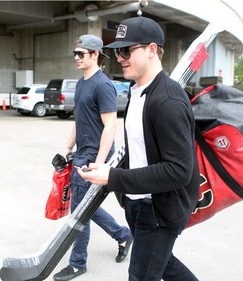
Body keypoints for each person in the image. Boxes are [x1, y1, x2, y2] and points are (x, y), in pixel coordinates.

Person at [78, 17, 200, 281]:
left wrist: (114, 178)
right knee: (164, 263)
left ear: (152, 50)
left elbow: (179, 170)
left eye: (127, 50)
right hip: (137, 202)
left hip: (159, 210)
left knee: (141, 275)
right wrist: (111, 172)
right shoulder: (137, 91)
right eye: (116, 51)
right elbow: (138, 149)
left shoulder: (167, 100)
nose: (119, 57)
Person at [53, 34, 133, 281]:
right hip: (81, 154)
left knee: (79, 213)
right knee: (84, 206)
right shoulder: (81, 83)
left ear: (96, 54)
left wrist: (99, 162)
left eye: (82, 53)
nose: (77, 57)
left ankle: (77, 264)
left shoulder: (102, 85)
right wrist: (67, 147)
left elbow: (110, 126)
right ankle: (122, 235)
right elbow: (79, 119)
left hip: (94, 157)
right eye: (75, 53)